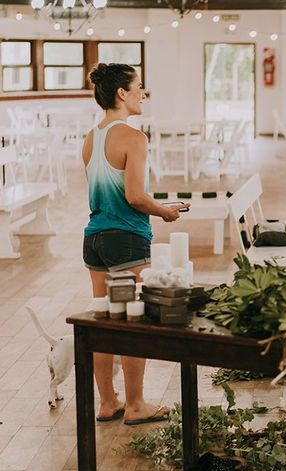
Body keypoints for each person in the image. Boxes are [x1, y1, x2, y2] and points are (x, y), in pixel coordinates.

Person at [82, 63, 189, 424]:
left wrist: (156, 205)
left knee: (105, 322)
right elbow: (134, 196)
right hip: (125, 240)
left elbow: (111, 194)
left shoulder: (91, 137)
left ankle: (108, 402)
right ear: (121, 94)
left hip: (94, 239)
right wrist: (165, 212)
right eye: (139, 87)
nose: (144, 93)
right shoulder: (133, 137)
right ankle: (137, 405)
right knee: (132, 325)